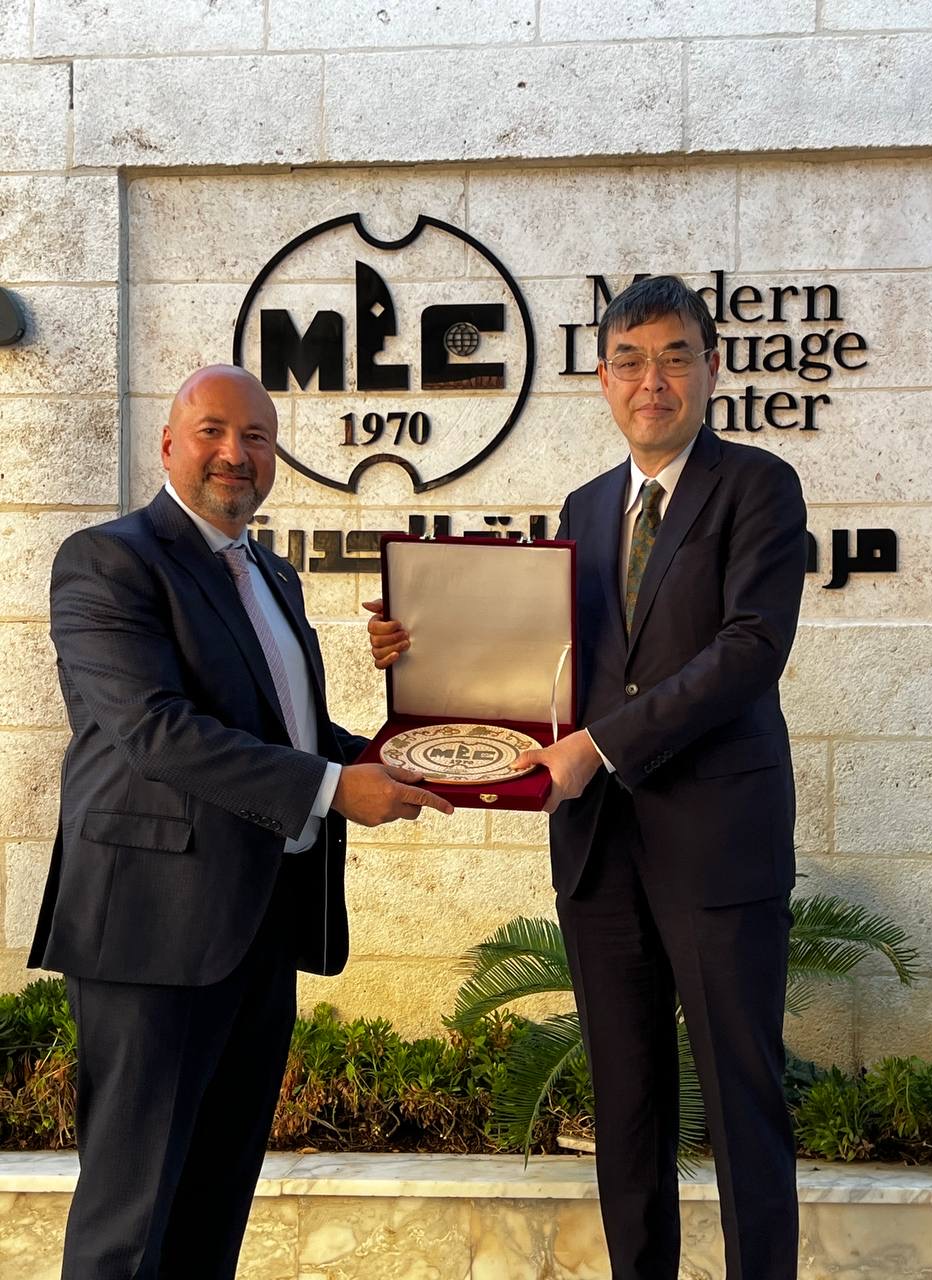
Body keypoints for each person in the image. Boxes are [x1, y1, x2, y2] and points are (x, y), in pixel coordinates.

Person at [368, 276, 807, 1280]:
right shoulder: (585, 507)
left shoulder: (759, 487)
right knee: (627, 1103)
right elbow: (547, 661)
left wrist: (599, 746)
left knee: (741, 1101)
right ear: (603, 380)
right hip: (600, 848)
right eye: (630, 361)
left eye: (675, 357)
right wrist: (421, 647)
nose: (653, 381)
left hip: (718, 846)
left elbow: (749, 650)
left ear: (711, 368)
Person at [29, 364, 453, 1280]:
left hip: (259, 925)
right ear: (169, 445)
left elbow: (291, 733)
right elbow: (158, 731)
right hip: (152, 934)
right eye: (214, 431)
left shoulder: (272, 574)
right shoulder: (108, 560)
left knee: (213, 1205)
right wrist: (333, 788)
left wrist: (410, 752)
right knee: (129, 1223)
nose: (236, 453)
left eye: (256, 436)